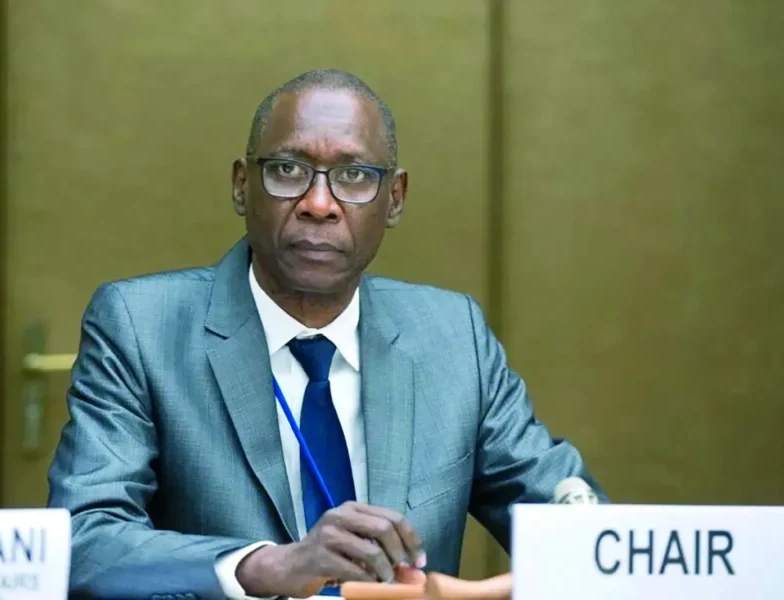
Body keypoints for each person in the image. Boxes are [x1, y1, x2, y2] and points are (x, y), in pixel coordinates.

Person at [47, 68, 606, 599]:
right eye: (288, 170)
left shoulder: (452, 338)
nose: (319, 205)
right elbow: (84, 540)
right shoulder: (142, 327)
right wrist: (268, 566)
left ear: (395, 199)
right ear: (242, 186)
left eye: (354, 177)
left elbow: (582, 532)